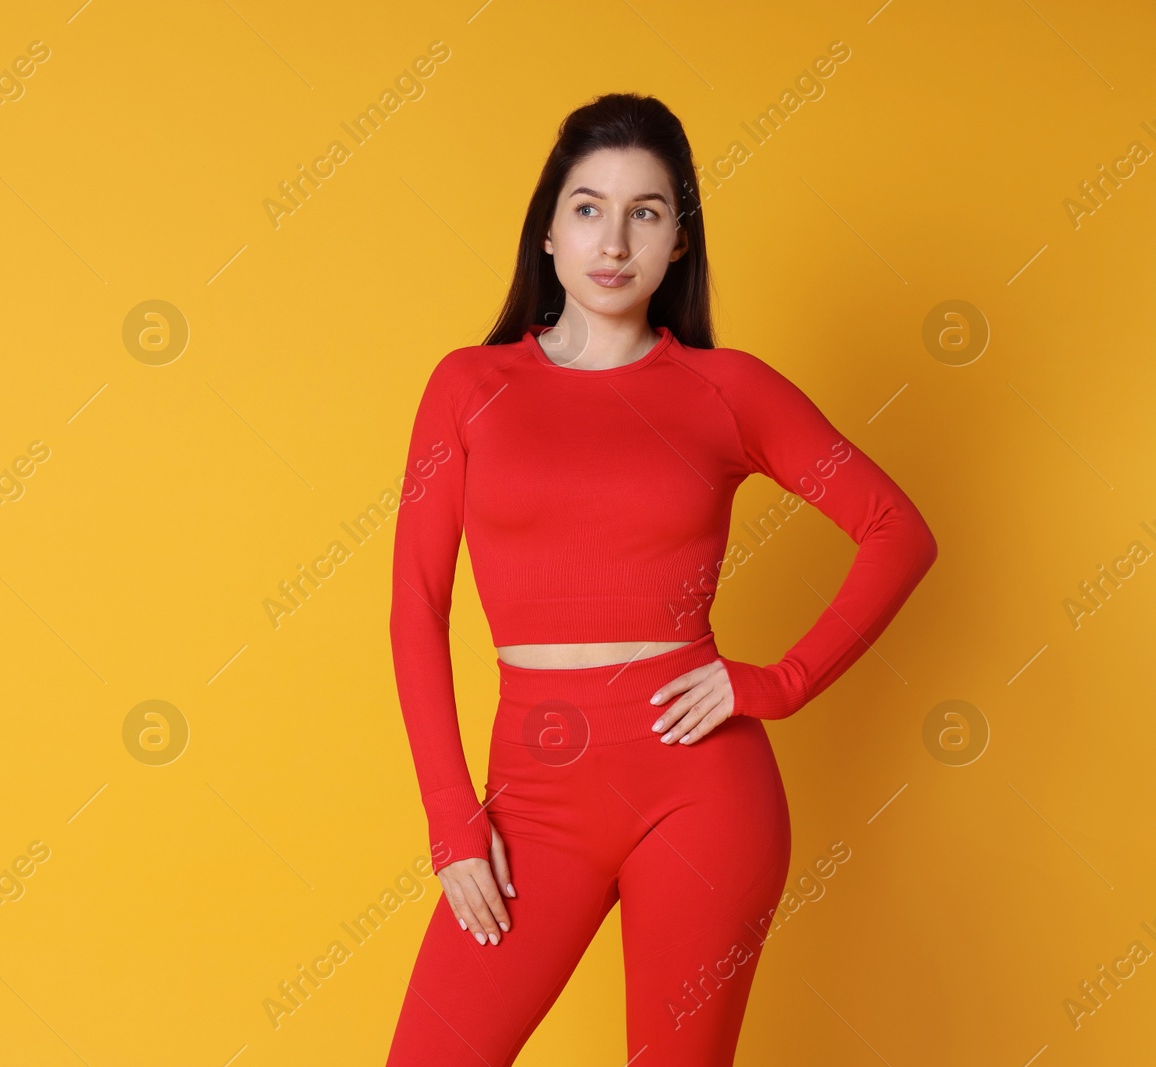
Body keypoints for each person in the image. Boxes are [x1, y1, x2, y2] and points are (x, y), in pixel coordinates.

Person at [384, 92, 938, 1066]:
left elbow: (896, 531)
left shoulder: (726, 391)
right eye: (588, 206)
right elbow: (415, 608)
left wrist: (774, 681)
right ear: (547, 230)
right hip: (532, 796)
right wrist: (451, 821)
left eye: (646, 211)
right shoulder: (468, 388)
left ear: (679, 240)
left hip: (702, 789)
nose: (614, 238)